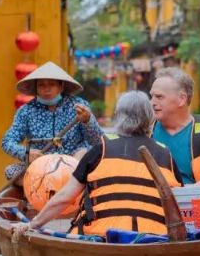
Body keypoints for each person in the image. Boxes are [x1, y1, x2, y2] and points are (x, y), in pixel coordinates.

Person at [27, 91, 179, 236]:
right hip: (154, 237)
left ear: (118, 116)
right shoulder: (166, 154)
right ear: (151, 118)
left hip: (102, 236)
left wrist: (33, 224)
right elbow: (180, 204)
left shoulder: (101, 149)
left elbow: (65, 197)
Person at [1, 61, 103, 183]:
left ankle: (65, 183)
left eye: (52, 84)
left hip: (74, 163)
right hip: (41, 166)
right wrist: (27, 153)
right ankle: (51, 185)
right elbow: (7, 142)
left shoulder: (78, 106)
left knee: (83, 153)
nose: (47, 89)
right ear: (36, 88)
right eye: (42, 85)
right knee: (10, 172)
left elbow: (98, 141)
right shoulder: (26, 111)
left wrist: (87, 120)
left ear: (61, 87)